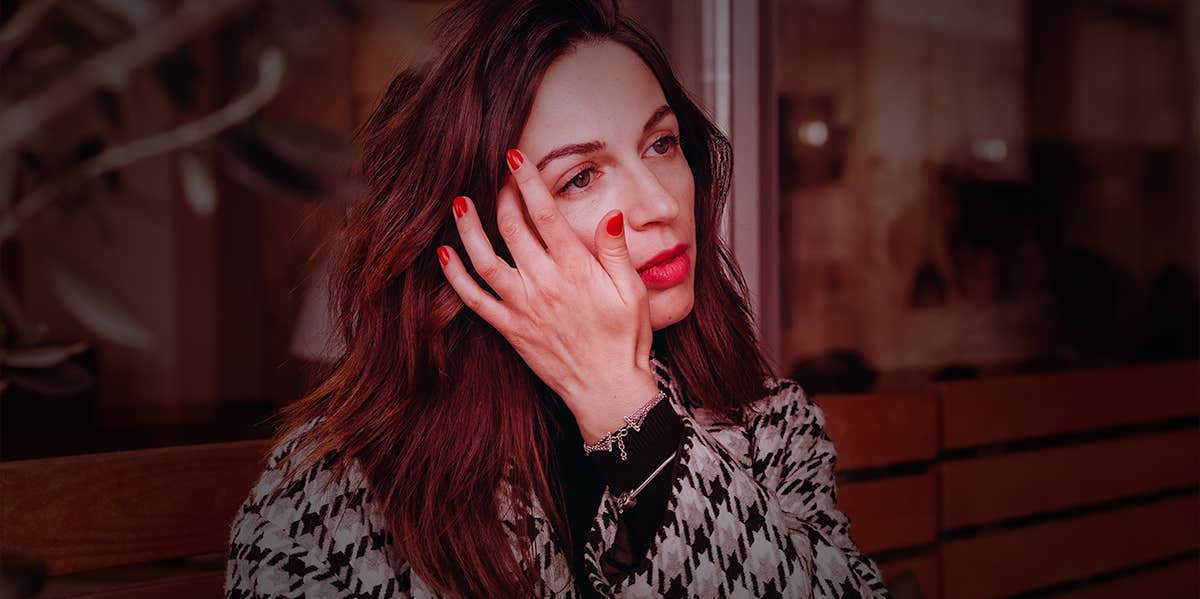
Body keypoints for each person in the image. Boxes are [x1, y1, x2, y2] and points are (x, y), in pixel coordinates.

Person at [224, 0, 889, 597]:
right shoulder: (341, 482)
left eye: (662, 144)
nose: (660, 204)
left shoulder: (768, 426)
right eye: (579, 177)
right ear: (475, 228)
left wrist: (628, 412)